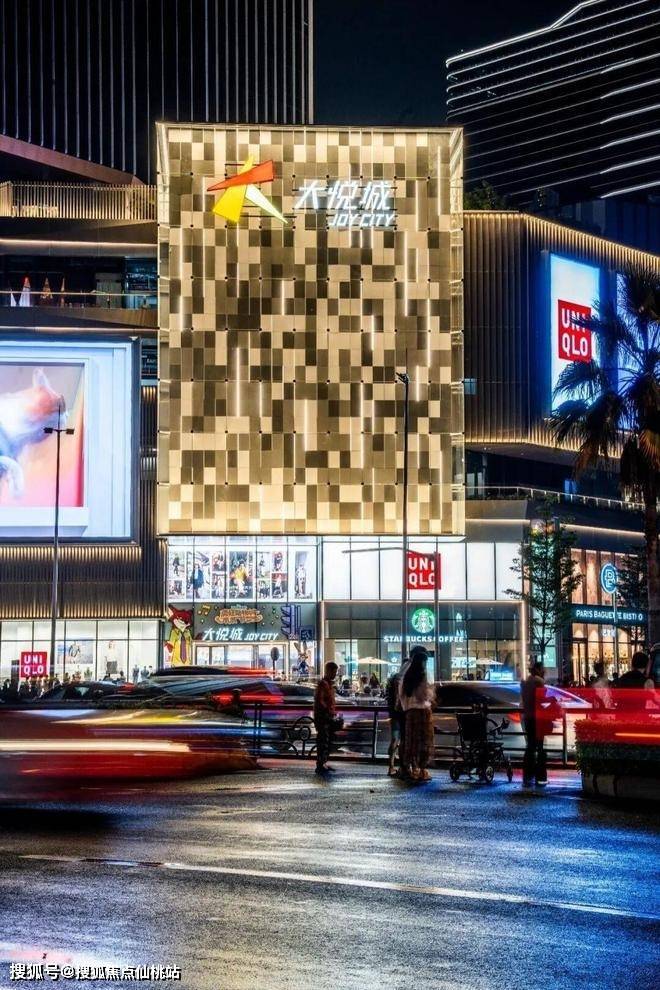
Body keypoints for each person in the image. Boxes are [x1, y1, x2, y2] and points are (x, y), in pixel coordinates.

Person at [398, 647, 434, 782]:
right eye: (425, 661)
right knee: (424, 741)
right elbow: (425, 695)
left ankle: (412, 769)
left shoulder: (406, 676)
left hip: (410, 713)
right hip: (423, 712)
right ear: (422, 662)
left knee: (411, 741)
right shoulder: (423, 675)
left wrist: (407, 707)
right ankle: (422, 770)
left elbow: (401, 695)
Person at [520, 662, 558, 787]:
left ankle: (528, 775)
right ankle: (541, 776)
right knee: (540, 747)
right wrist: (552, 700)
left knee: (530, 747)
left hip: (527, 717)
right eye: (543, 669)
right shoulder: (538, 681)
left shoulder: (526, 681)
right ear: (538, 669)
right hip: (538, 718)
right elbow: (541, 699)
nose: (544, 671)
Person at [313, 661, 339, 776]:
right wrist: (328, 711)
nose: (335, 674)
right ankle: (320, 764)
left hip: (326, 716)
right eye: (334, 672)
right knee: (323, 740)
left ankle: (322, 763)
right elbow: (320, 700)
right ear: (328, 671)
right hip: (323, 717)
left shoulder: (328, 684)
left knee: (326, 741)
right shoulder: (324, 684)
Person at [385, 660, 407, 776]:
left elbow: (389, 697)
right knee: (404, 740)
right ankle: (403, 767)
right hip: (403, 713)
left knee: (394, 740)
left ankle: (391, 766)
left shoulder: (393, 678)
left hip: (394, 714)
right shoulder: (404, 679)